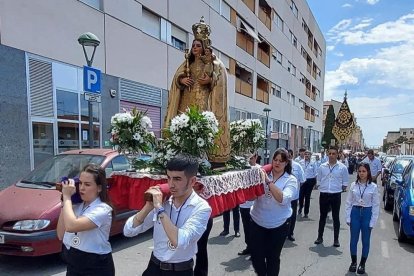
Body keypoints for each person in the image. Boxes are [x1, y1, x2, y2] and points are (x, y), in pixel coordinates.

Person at [123, 153, 212, 275]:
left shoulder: (201, 207)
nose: (171, 184)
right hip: (153, 267)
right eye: (168, 178)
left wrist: (159, 209)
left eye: (177, 179)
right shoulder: (164, 199)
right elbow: (129, 231)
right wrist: (148, 206)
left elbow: (180, 241)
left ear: (192, 181)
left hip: (180, 271)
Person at [164, 17, 230, 164]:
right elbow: (177, 77)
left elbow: (221, 79)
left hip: (203, 101)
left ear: (204, 46)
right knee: (184, 127)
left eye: (198, 45)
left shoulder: (214, 63)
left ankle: (201, 158)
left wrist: (210, 80)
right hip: (186, 100)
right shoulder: (187, 63)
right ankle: (181, 156)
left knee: (199, 129)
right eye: (193, 45)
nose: (194, 48)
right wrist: (181, 80)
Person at [57, 164, 115, 276]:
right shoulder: (76, 205)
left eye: (87, 184)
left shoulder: (103, 209)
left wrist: (67, 197)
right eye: (81, 183)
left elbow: (71, 226)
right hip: (74, 262)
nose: (82, 188)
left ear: (99, 188)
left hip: (95, 265)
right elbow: (60, 234)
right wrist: (65, 202)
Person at [250, 148, 298, 276]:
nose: (277, 163)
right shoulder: (263, 173)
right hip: (257, 221)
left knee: (272, 258)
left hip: (278, 224)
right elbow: (252, 196)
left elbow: (282, 198)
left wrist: (268, 182)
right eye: (275, 160)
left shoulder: (290, 180)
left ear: (286, 163)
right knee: (256, 256)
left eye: (281, 161)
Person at [345, 163, 380, 274]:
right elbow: (348, 202)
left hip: (367, 213)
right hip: (355, 212)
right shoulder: (353, 185)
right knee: (353, 240)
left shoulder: (373, 187)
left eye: (364, 171)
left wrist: (372, 221)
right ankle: (354, 262)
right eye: (359, 171)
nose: (361, 173)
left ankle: (362, 264)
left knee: (365, 241)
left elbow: (376, 205)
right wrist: (348, 217)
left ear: (368, 172)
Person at [315, 146, 349, 247]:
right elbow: (319, 180)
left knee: (335, 217)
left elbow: (345, 183)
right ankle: (319, 237)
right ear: (327, 154)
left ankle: (336, 239)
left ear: (337, 154)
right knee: (322, 216)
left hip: (335, 194)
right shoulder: (322, 167)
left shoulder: (342, 167)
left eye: (334, 153)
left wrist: (338, 188)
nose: (331, 155)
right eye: (329, 153)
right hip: (324, 194)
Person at [238, 152, 260, 255]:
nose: (249, 160)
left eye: (251, 158)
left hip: (255, 205)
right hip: (244, 204)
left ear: (256, 157)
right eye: (247, 158)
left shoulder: (259, 169)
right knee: (246, 227)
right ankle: (249, 247)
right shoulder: (241, 170)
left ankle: (256, 249)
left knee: (255, 229)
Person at [287, 149, 305, 241]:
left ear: (292, 155)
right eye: (287, 155)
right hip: (283, 197)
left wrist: (295, 188)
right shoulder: (281, 165)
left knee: (292, 215)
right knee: (283, 215)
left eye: (290, 155)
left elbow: (302, 180)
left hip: (293, 197)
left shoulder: (297, 166)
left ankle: (290, 233)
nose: (288, 157)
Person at [298, 150, 318, 218]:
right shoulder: (300, 162)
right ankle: (300, 207)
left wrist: (316, 183)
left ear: (310, 155)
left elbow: (315, 173)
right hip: (302, 181)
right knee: (301, 196)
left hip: (310, 181)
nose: (306, 155)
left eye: (308, 154)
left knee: (307, 197)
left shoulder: (313, 163)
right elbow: (299, 172)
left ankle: (306, 212)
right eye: (305, 154)